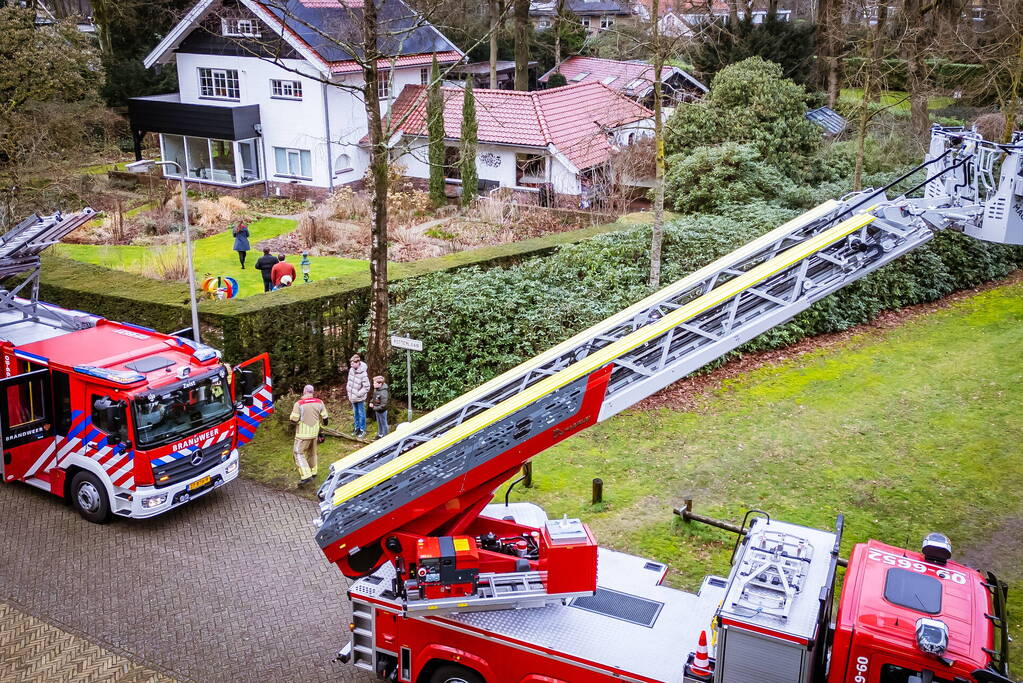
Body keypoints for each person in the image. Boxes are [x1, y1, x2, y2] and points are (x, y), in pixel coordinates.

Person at [289, 384, 329, 486]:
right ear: (312, 392)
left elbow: (293, 419)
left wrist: (294, 424)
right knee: (312, 452)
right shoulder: (319, 402)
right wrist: (321, 430)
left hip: (302, 434)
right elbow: (325, 418)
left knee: (298, 453)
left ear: (304, 391)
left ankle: (306, 476)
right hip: (314, 433)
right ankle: (313, 472)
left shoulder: (299, 404)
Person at [345, 353, 370, 438]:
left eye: (352, 363)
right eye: (350, 363)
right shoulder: (351, 370)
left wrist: (358, 394)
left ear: (357, 362)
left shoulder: (363, 373)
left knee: (361, 414)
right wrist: (349, 390)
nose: (351, 365)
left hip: (359, 398)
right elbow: (349, 382)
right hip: (352, 397)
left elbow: (367, 387)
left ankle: (362, 430)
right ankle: (357, 428)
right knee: (355, 413)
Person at [370, 375, 389, 439]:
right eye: (373, 383)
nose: (373, 384)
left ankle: (386, 436)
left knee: (384, 423)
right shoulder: (377, 389)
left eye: (375, 383)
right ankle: (380, 434)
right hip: (377, 410)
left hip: (382, 411)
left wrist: (375, 408)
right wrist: (371, 402)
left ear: (380, 384)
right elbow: (374, 397)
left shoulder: (384, 392)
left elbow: (384, 405)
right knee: (379, 423)